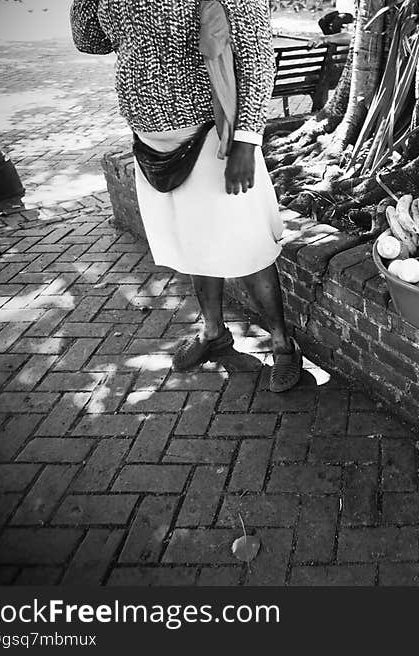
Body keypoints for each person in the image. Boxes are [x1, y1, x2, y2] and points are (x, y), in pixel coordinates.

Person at [70, 0, 302, 393]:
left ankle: (282, 345)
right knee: (193, 243)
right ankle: (214, 333)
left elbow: (257, 57)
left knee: (248, 246)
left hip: (215, 138)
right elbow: (89, 40)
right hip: (150, 144)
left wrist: (246, 141)